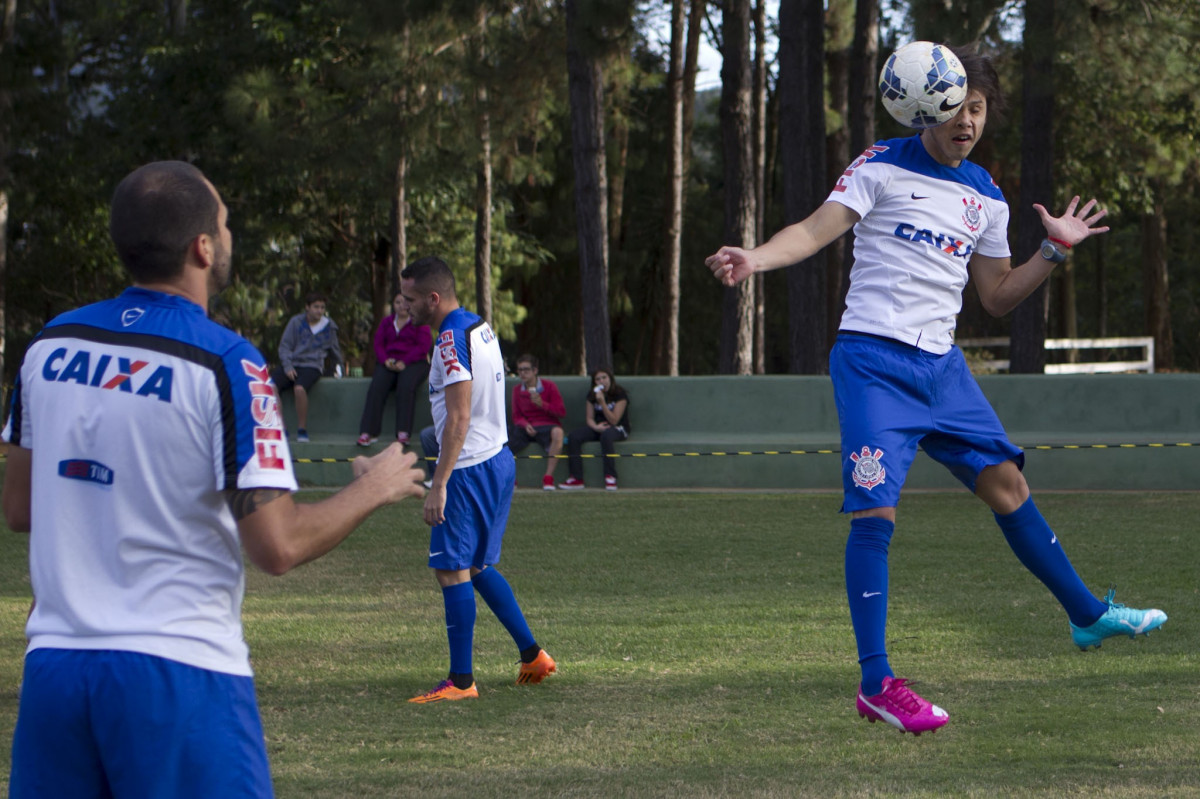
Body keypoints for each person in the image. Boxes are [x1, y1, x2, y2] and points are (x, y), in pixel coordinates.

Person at [705, 44, 1167, 736]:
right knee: (876, 516)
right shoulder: (880, 164)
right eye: (954, 107)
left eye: (976, 108)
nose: (966, 121)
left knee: (1008, 485)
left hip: (942, 370)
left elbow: (998, 297)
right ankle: (876, 683)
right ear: (924, 106)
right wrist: (756, 257)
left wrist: (1054, 251)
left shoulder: (985, 194)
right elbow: (813, 229)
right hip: (871, 364)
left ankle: (1086, 614)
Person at [1, 161, 426, 798]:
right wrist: (374, 487)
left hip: (55, 674)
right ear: (204, 247)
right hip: (179, 676)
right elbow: (276, 546)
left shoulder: (50, 347)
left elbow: (20, 508)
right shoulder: (229, 364)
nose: (229, 234)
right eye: (224, 223)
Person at [399, 255, 556, 702]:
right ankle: (532, 656)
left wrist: (439, 482)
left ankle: (461, 683)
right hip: (496, 459)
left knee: (451, 569)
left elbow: (459, 416)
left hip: (467, 468)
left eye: (410, 300)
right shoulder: (477, 326)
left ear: (433, 298)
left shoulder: (449, 340)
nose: (405, 306)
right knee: (476, 566)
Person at [356, 289, 432, 446]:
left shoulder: (419, 322)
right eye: (398, 302)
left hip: (414, 362)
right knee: (377, 386)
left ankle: (403, 433)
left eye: (406, 302)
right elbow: (378, 344)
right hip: (389, 362)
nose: (402, 306)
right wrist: (385, 361)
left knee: (405, 386)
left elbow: (423, 346)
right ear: (393, 305)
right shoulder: (386, 322)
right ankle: (368, 433)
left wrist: (404, 361)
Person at [272, 292, 343, 442]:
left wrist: (339, 368)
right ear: (307, 307)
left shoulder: (329, 326)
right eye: (316, 307)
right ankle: (280, 428)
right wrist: (288, 366)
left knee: (299, 388)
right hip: (293, 363)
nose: (319, 310)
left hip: (312, 365)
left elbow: (335, 350)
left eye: (322, 307)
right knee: (270, 387)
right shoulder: (296, 322)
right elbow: (284, 346)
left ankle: (302, 429)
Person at [559, 368, 630, 491]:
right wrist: (596, 427)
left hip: (617, 428)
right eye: (598, 379)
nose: (601, 381)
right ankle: (576, 478)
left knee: (606, 436)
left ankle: (610, 476)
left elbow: (614, 420)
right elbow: (589, 418)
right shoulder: (592, 395)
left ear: (610, 379)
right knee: (574, 436)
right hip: (598, 427)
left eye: (604, 377)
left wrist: (602, 403)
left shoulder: (620, 394)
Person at [510, 353, 567, 490]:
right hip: (526, 427)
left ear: (535, 371)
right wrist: (525, 424)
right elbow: (516, 416)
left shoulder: (549, 387)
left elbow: (561, 412)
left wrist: (543, 404)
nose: (523, 374)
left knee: (558, 433)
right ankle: (511, 479)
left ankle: (548, 478)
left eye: (526, 370)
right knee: (503, 439)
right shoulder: (517, 390)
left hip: (547, 425)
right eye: (520, 370)